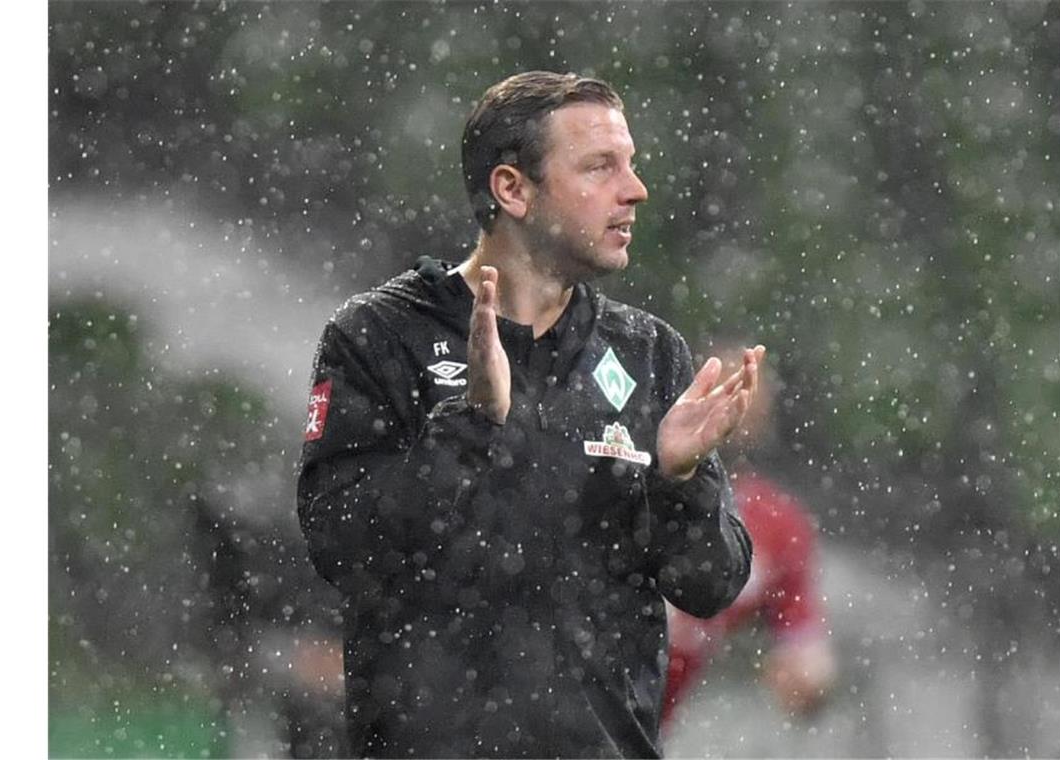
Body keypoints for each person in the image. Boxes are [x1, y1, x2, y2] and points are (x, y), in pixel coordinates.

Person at [296, 71, 765, 758]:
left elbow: (709, 585)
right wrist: (472, 425)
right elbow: (341, 546)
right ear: (512, 189)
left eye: (630, 164)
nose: (634, 189)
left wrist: (680, 477)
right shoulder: (378, 336)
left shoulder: (647, 353)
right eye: (600, 167)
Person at [661, 355, 836, 726]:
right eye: (722, 388)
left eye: (748, 393)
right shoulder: (635, 475)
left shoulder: (776, 523)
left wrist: (809, 676)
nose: (734, 407)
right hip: (566, 695)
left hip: (646, 726)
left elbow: (806, 646)